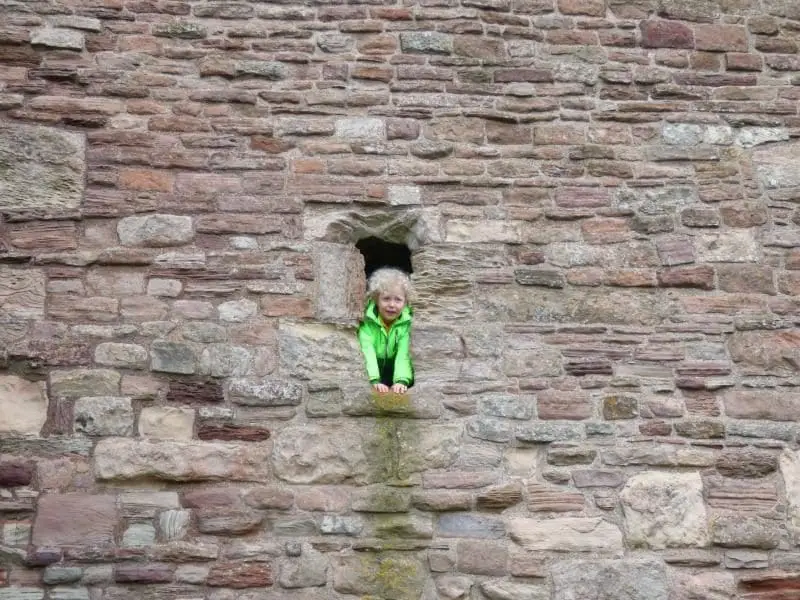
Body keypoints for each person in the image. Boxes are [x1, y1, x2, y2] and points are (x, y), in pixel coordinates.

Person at [357, 267, 414, 394]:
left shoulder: (406, 325)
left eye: (398, 300)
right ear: (376, 300)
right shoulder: (367, 323)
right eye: (386, 298)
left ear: (405, 303)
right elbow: (367, 351)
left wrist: (401, 381)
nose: (392, 305)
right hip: (373, 370)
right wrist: (374, 380)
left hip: (394, 370)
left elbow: (403, 354)